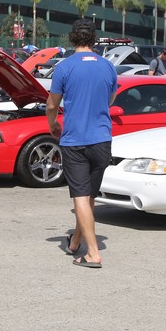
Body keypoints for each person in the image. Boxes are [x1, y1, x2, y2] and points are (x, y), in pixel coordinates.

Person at [46, 19, 117, 269]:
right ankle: (75, 241)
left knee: (79, 197)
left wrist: (52, 124)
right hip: (102, 139)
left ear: (72, 38)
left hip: (75, 140)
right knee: (89, 197)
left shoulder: (65, 67)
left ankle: (93, 253)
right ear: (94, 39)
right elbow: (110, 98)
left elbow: (52, 104)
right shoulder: (108, 67)